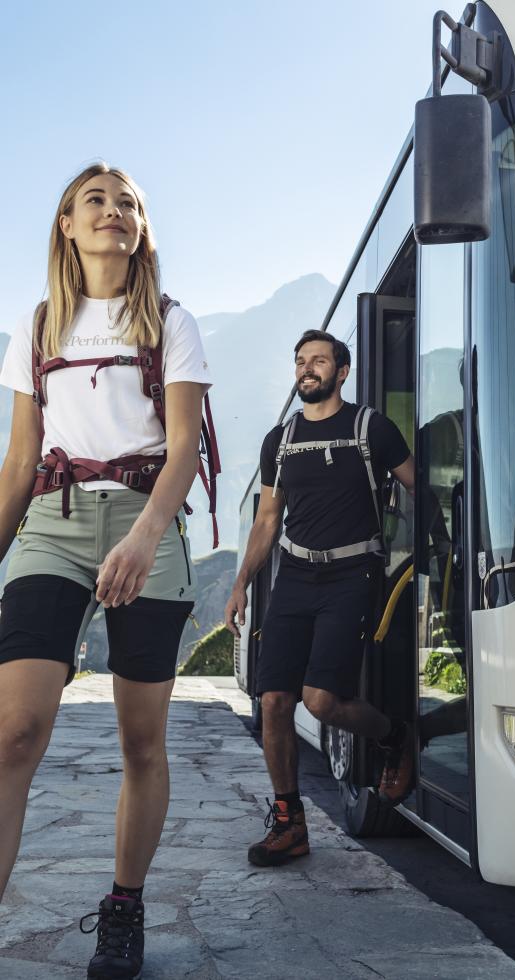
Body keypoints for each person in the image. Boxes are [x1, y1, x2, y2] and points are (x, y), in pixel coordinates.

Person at [0, 162, 212, 979]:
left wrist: (145, 538)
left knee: (140, 740)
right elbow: (19, 462)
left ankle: (123, 906)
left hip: (144, 516)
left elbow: (186, 447)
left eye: (128, 203)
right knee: (14, 731)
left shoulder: (169, 320)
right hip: (52, 523)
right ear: (66, 222)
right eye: (97, 200)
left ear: (141, 228)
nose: (114, 212)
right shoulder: (39, 325)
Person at [225, 329, 415, 867]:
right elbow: (267, 520)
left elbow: (418, 486)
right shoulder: (279, 441)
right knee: (273, 704)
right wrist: (241, 583)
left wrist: (439, 554)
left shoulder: (370, 427)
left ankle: (394, 735)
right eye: (301, 361)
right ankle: (290, 824)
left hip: (354, 574)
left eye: (320, 361)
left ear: (342, 371)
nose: (309, 369)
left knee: (321, 701)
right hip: (294, 577)